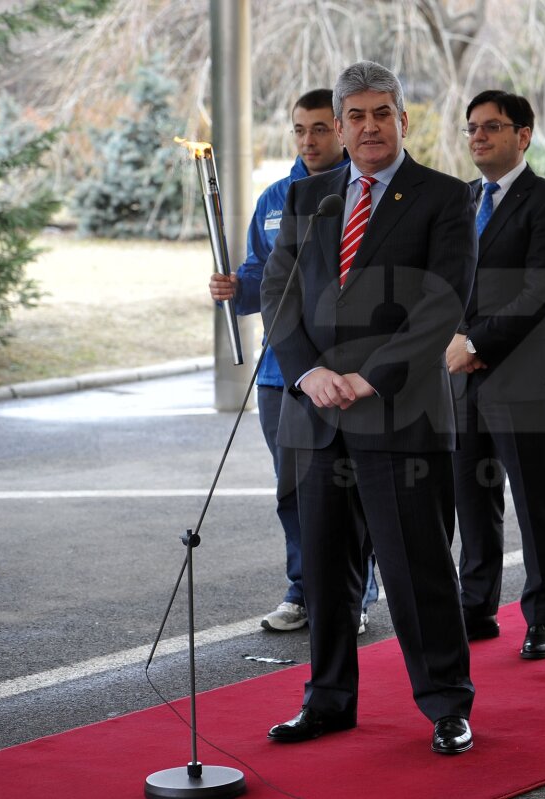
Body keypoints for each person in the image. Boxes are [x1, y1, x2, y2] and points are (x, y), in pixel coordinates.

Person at [260, 61, 477, 754]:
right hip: (317, 417)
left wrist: (368, 377)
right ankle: (326, 700)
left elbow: (442, 301)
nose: (369, 126)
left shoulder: (445, 197)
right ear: (342, 124)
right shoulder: (311, 196)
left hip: (400, 412)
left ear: (403, 120)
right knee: (324, 569)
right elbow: (277, 294)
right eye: (355, 115)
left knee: (417, 569)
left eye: (381, 113)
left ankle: (447, 703)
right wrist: (308, 373)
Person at [209, 88, 379, 636]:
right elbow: (262, 279)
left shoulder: (368, 194)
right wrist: (236, 286)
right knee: (294, 493)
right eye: (299, 130)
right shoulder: (275, 199)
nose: (309, 140)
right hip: (284, 377)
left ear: (341, 129)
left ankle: (354, 594)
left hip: (347, 377)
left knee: (348, 493)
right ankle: (303, 591)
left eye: (320, 129)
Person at [446, 90, 545, 659]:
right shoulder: (460, 201)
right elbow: (443, 282)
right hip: (460, 377)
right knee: (472, 499)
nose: (479, 137)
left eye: (492, 127)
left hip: (524, 373)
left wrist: (477, 341)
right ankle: (475, 609)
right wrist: (451, 341)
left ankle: (542, 617)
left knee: (534, 500)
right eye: (472, 128)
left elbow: (541, 289)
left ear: (523, 135)